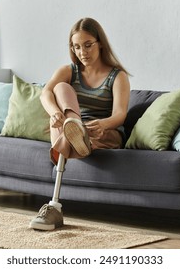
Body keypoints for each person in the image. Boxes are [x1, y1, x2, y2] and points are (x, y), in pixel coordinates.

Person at [29, 17, 130, 231]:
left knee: (74, 129)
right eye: (76, 47)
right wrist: (56, 113)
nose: (82, 52)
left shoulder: (117, 76)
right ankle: (75, 132)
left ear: (100, 43)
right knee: (60, 89)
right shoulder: (70, 71)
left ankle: (53, 206)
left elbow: (120, 115)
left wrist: (103, 124)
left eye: (87, 45)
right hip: (73, 125)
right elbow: (45, 93)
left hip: (102, 131)